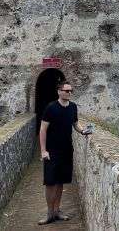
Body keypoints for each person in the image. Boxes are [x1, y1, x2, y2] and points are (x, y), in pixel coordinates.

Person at [38, 81, 90, 225]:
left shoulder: (73, 107)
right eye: (66, 91)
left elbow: (75, 123)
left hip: (67, 150)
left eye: (71, 91)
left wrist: (83, 131)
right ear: (59, 91)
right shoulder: (51, 108)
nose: (69, 93)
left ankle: (57, 211)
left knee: (61, 181)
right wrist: (43, 150)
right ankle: (49, 213)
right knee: (50, 182)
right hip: (52, 151)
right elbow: (43, 130)